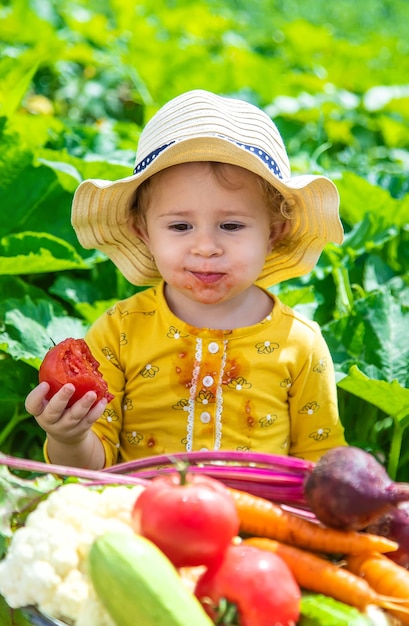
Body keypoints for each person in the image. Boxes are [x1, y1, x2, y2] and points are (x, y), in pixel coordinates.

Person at [25, 89, 346, 470]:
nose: (206, 247)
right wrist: (69, 436)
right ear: (142, 231)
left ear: (274, 232)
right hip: (139, 520)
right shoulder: (119, 332)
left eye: (231, 225)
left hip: (258, 525)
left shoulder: (301, 344)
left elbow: (321, 465)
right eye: (180, 225)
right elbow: (92, 466)